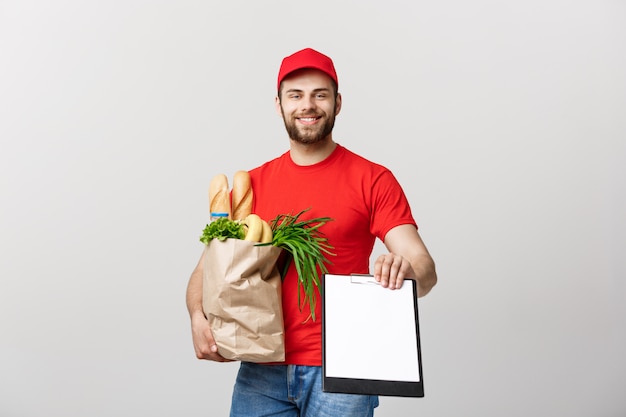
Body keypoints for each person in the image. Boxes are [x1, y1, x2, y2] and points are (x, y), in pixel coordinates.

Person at [186, 47, 437, 417]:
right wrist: (196, 315)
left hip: (344, 369)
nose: (308, 105)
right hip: (261, 367)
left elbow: (425, 268)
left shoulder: (373, 179)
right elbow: (208, 269)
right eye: (296, 95)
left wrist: (405, 269)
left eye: (320, 94)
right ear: (279, 105)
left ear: (337, 103)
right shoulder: (251, 185)